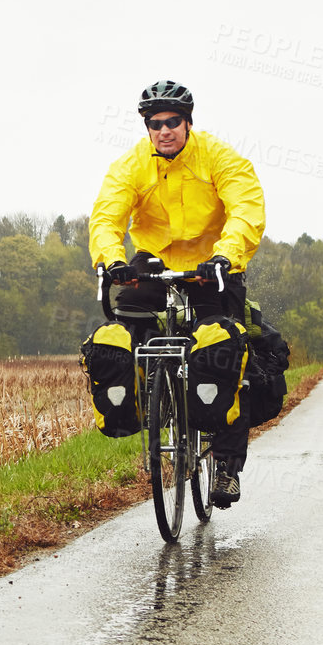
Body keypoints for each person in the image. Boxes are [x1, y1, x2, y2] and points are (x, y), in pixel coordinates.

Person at [89, 80, 266, 506]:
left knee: (224, 347)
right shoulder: (130, 165)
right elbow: (106, 216)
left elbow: (246, 207)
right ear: (147, 127)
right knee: (124, 329)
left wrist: (225, 255)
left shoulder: (219, 157)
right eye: (155, 124)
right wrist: (111, 260)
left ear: (188, 123)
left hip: (212, 265)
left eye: (172, 122)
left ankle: (226, 465)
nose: (164, 130)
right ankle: (154, 398)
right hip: (153, 261)